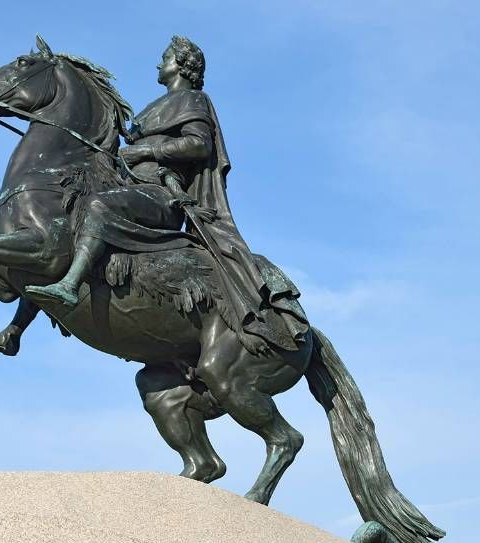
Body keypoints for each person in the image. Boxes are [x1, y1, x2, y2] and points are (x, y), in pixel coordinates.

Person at [24, 36, 308, 354]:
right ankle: (15, 329)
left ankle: (69, 285)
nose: (160, 64)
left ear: (183, 65)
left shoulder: (193, 100)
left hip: (160, 195)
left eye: (166, 57)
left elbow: (199, 144)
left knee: (98, 205)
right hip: (132, 188)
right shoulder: (154, 107)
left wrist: (146, 148)